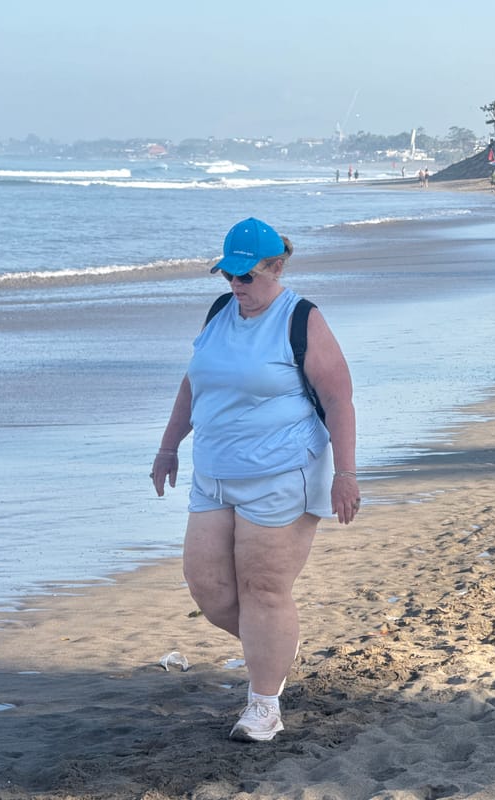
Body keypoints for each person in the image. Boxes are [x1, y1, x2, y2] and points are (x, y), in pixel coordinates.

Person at [150, 217, 359, 743]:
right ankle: (277, 644)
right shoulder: (221, 312)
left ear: (277, 268)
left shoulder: (302, 319)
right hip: (215, 473)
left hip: (283, 474)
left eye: (247, 277)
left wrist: (346, 473)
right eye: (229, 276)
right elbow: (193, 383)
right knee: (211, 590)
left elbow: (338, 400)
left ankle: (264, 706)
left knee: (264, 589)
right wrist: (168, 445)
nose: (237, 286)